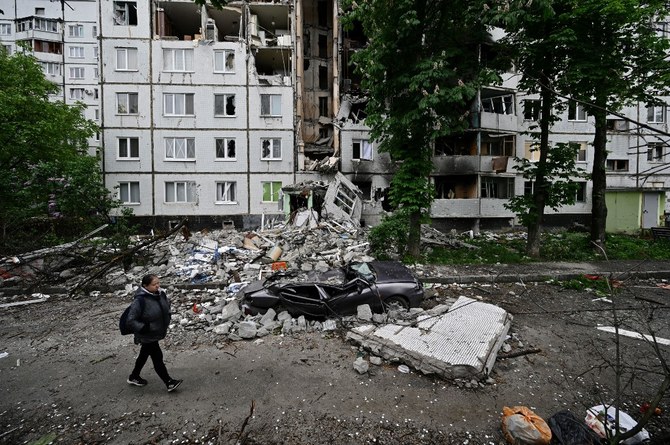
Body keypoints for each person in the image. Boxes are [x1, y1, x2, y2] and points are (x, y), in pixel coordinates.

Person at [126, 274, 183, 392]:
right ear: (145, 286)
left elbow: (166, 306)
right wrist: (143, 328)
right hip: (147, 334)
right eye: (154, 284)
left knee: (144, 354)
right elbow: (131, 320)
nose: (157, 286)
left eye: (158, 283)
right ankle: (169, 382)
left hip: (155, 331)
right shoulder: (140, 300)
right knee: (157, 357)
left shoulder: (160, 294)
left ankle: (134, 376)